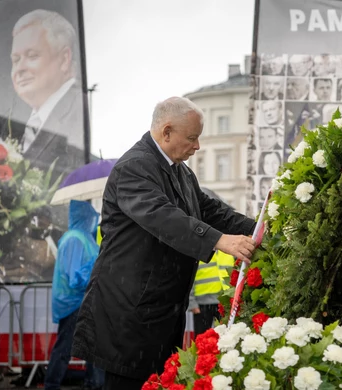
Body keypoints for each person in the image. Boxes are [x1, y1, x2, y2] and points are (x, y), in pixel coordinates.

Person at [72, 97, 256, 390]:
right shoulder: (134, 167)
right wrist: (220, 241)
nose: (197, 147)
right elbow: (163, 217)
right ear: (166, 131)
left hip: (160, 311)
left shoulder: (180, 170)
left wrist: (259, 228)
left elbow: (210, 209)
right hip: (128, 314)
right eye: (192, 138)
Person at [9, 9, 86, 178]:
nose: (19, 69)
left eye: (32, 56)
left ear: (64, 59)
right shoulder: (13, 122)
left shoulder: (83, 112)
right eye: (15, 60)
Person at [45, 200, 104, 390]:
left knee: (90, 347)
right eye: (89, 217)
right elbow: (74, 277)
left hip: (83, 301)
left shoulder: (82, 238)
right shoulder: (75, 239)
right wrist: (93, 273)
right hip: (74, 303)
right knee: (65, 347)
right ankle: (52, 385)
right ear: (84, 217)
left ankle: (93, 383)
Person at [188, 188, 235, 336]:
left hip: (224, 300)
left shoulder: (227, 245)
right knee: (202, 338)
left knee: (225, 337)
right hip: (202, 303)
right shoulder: (198, 245)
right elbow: (190, 275)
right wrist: (192, 302)